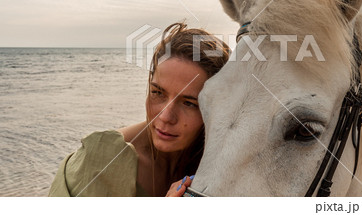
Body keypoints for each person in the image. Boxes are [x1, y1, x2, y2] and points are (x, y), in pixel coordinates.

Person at [48, 22, 230, 196]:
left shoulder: (222, 166)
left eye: (189, 103)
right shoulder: (103, 160)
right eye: (158, 92)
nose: (166, 117)